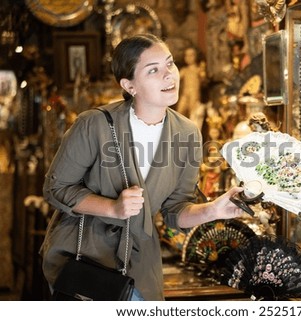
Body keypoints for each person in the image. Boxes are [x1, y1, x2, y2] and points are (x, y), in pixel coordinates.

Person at [40, 34, 244, 301]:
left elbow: (175, 210)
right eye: (153, 70)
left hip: (140, 270)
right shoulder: (94, 125)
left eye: (170, 64)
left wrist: (212, 210)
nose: (169, 75)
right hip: (87, 264)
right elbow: (55, 188)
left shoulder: (188, 134)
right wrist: (112, 208)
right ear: (129, 85)